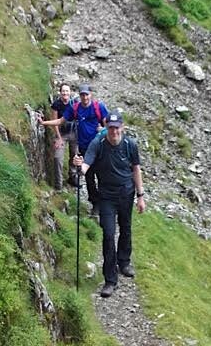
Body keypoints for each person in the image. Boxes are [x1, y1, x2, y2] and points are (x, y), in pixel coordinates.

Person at [74, 110, 146, 298]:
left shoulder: (131, 145)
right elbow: (86, 165)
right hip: (106, 196)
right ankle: (110, 279)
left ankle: (124, 262)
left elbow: (136, 170)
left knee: (126, 228)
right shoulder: (98, 144)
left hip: (126, 194)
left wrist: (140, 196)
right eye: (110, 128)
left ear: (122, 127)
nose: (114, 131)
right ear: (106, 128)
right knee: (108, 234)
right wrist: (79, 165)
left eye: (116, 128)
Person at [38, 85, 108, 213]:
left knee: (103, 176)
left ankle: (105, 203)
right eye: (82, 95)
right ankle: (95, 203)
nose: (85, 97)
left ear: (90, 95)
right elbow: (60, 121)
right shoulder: (75, 108)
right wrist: (44, 123)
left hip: (100, 147)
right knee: (89, 177)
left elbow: (109, 125)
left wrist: (103, 130)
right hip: (85, 148)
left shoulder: (99, 107)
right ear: (80, 95)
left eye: (86, 94)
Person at [51, 83, 77, 191]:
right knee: (58, 157)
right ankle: (58, 184)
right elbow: (54, 122)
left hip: (74, 133)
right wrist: (59, 138)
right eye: (63, 91)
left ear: (70, 92)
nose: (65, 93)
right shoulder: (56, 104)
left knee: (74, 156)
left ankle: (73, 176)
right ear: (60, 92)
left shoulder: (75, 103)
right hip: (61, 133)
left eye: (67, 91)